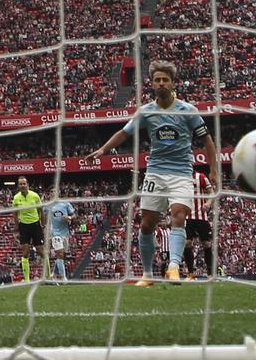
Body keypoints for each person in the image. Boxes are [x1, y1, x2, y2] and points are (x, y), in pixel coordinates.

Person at [86, 60, 211, 286]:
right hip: (155, 173)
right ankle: (147, 274)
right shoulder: (146, 112)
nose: (161, 83)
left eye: (165, 80)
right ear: (152, 84)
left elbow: (207, 140)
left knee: (179, 216)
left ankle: (173, 267)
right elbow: (124, 133)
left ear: (173, 83)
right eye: (157, 80)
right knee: (146, 225)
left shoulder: (188, 110)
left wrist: (215, 172)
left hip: (182, 172)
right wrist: (103, 149)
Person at [9, 176, 45, 282]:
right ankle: (27, 280)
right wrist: (16, 226)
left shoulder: (35, 196)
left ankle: (48, 277)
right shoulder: (16, 198)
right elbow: (15, 213)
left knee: (41, 251)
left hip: (35, 225)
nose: (22, 186)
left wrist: (43, 224)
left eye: (24, 184)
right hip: (23, 226)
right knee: (25, 252)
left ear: (27, 185)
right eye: (20, 184)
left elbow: (41, 210)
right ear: (18, 186)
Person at [183, 170, 215, 280]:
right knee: (187, 243)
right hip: (187, 216)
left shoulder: (201, 176)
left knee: (206, 243)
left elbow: (211, 192)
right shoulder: (180, 177)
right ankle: (191, 273)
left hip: (201, 216)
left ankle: (210, 273)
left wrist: (208, 203)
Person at [46, 191, 77, 282]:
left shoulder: (65, 204)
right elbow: (43, 217)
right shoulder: (48, 205)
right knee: (59, 254)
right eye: (51, 192)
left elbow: (74, 215)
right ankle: (64, 278)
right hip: (54, 233)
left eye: (55, 191)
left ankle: (53, 274)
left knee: (62, 255)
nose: (53, 193)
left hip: (65, 233)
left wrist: (69, 218)